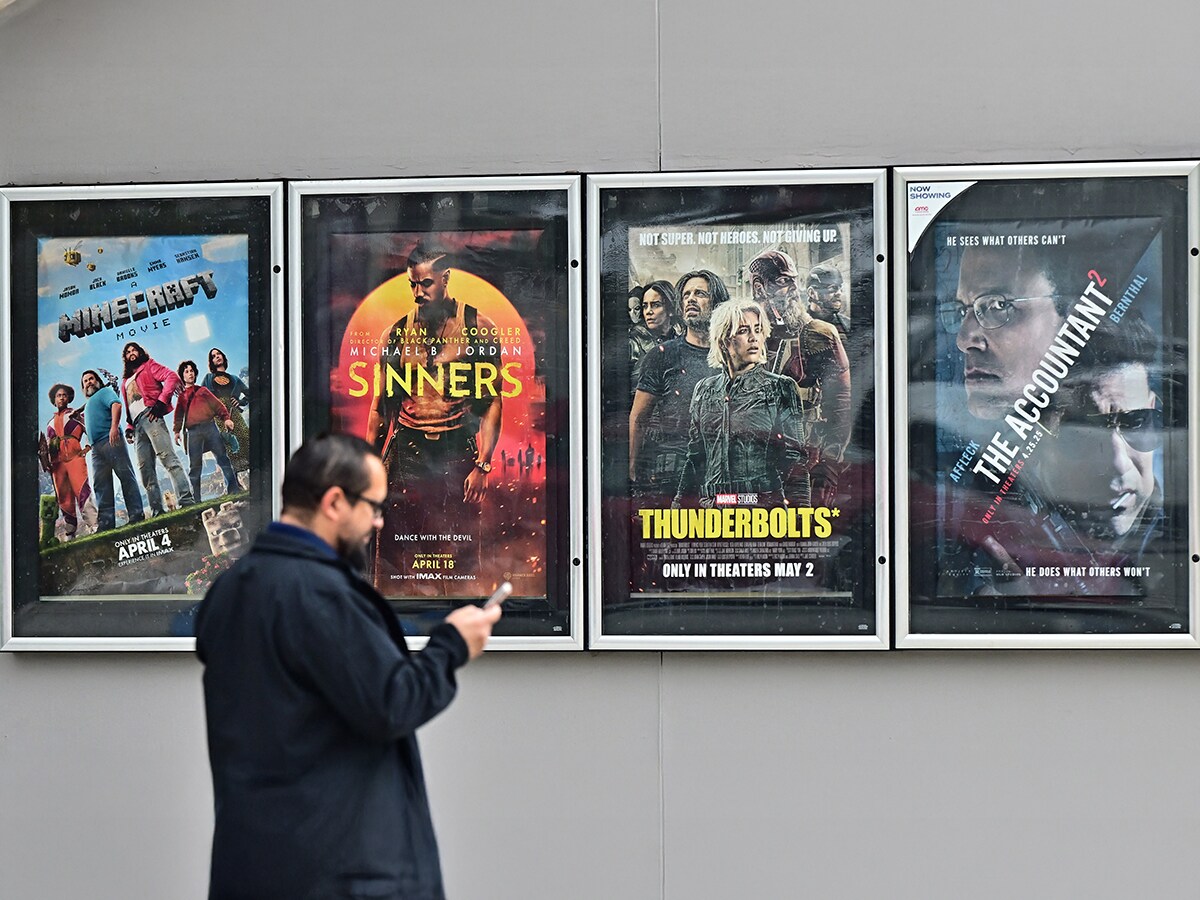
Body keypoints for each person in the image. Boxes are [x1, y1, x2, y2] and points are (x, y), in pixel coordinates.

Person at [196, 433, 501, 900]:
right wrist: (452, 645)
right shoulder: (320, 593)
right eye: (374, 506)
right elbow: (391, 702)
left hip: (254, 864)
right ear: (335, 502)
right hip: (339, 870)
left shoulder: (234, 588)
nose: (379, 522)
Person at [365, 245, 503, 591]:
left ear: (446, 278)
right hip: (407, 454)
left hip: (456, 453)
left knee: (461, 564)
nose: (417, 293)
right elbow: (380, 407)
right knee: (394, 563)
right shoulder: (395, 334)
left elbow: (492, 402)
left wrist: (482, 465)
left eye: (425, 283)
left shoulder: (477, 327)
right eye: (412, 284)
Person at [673, 298, 809, 509]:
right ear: (723, 339)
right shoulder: (704, 389)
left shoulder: (780, 387)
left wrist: (801, 516)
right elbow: (695, 457)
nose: (754, 337)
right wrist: (678, 506)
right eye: (744, 331)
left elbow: (795, 459)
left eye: (758, 330)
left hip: (762, 510)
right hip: (712, 510)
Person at [749, 249, 851, 503]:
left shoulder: (819, 334)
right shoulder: (742, 335)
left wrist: (829, 467)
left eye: (794, 280)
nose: (794, 289)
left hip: (804, 464)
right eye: (783, 281)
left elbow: (840, 404)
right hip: (752, 468)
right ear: (760, 288)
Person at [629, 269, 729, 495]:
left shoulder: (732, 355)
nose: (691, 299)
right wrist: (632, 471)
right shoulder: (662, 355)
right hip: (672, 473)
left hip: (722, 474)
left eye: (700, 293)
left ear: (717, 303)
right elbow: (639, 418)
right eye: (686, 295)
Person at [120, 341, 195, 514]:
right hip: (137, 425)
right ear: (125, 358)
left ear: (140, 352)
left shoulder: (149, 365)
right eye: (128, 352)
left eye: (134, 350)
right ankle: (156, 511)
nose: (131, 353)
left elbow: (171, 377)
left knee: (168, 459)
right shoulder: (125, 381)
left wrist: (161, 402)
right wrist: (129, 426)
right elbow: (129, 405)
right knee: (145, 470)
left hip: (151, 416)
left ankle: (186, 500)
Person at [80, 369, 144, 531]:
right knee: (101, 484)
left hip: (111, 440)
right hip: (96, 448)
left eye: (91, 379)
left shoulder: (104, 392)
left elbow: (116, 405)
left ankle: (136, 514)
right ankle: (106, 524)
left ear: (98, 381)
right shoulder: (89, 404)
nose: (89, 382)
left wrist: (114, 427)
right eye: (85, 381)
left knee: (126, 476)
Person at [173, 360, 239, 501]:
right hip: (193, 433)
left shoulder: (203, 390)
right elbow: (178, 415)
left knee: (223, 458)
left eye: (192, 371)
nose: (190, 374)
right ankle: (196, 500)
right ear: (182, 376)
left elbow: (218, 406)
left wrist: (226, 419)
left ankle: (234, 490)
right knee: (195, 467)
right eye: (186, 371)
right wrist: (176, 432)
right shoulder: (182, 396)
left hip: (210, 427)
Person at [39, 383, 92, 539]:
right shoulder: (49, 423)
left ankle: (94, 525)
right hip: (57, 464)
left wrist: (87, 447)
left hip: (75, 458)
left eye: (64, 395)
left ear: (69, 398)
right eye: (58, 396)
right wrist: (47, 462)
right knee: (64, 497)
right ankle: (70, 532)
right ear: (54, 400)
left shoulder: (76, 415)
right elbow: (47, 444)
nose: (61, 398)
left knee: (82, 491)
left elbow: (89, 429)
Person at [628, 279, 681, 393]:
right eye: (645, 306)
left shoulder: (680, 341)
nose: (648, 311)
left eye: (655, 305)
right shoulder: (633, 342)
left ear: (671, 309)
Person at [202, 347, 250, 472]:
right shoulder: (208, 378)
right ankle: (234, 476)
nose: (217, 356)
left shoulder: (235, 379)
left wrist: (241, 402)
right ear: (211, 362)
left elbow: (249, 394)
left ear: (223, 356)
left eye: (218, 354)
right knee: (228, 444)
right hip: (218, 416)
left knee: (245, 438)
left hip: (234, 413)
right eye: (213, 356)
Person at [805, 262, 850, 336]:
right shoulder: (798, 325)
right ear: (812, 293)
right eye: (832, 288)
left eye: (840, 288)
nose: (839, 293)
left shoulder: (847, 324)